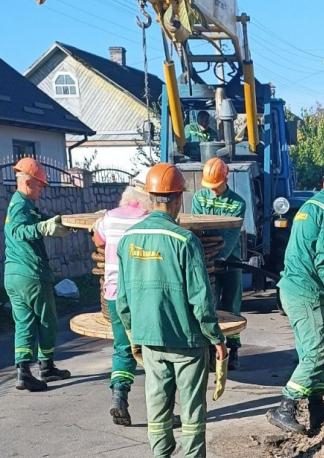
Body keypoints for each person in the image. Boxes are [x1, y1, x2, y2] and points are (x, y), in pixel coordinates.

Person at [116, 162, 227, 458]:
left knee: (157, 407)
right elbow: (200, 299)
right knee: (191, 412)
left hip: (150, 338)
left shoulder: (128, 239)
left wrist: (133, 336)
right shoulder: (184, 240)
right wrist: (216, 337)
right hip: (187, 341)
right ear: (178, 198)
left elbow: (123, 300)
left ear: (151, 197)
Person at [267, 159, 324, 434]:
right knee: (316, 355)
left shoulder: (307, 206)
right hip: (304, 292)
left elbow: (304, 252)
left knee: (316, 352)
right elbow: (322, 259)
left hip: (293, 289)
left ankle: (317, 407)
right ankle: (285, 407)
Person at [4, 157, 72, 392]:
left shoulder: (21, 205)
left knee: (23, 323)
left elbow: (42, 221)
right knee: (47, 321)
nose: (42, 189)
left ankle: (23, 372)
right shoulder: (21, 206)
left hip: (13, 275)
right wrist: (43, 228)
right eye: (40, 185)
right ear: (28, 182)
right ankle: (46, 366)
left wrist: (65, 222)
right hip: (31, 274)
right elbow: (18, 231)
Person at [92, 170, 152, 426]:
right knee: (155, 350)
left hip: (115, 295)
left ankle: (119, 395)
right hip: (144, 295)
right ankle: (163, 410)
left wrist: (100, 224)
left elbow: (99, 239)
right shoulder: (150, 221)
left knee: (122, 347)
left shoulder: (109, 218)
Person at [191, 157, 246, 371]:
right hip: (206, 261)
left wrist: (220, 257)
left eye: (216, 185)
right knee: (208, 305)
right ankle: (212, 349)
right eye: (209, 186)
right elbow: (197, 228)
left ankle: (234, 350)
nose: (212, 190)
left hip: (230, 261)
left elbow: (231, 235)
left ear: (226, 178)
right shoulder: (199, 197)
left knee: (232, 305)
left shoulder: (237, 203)